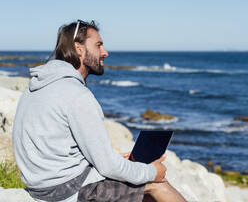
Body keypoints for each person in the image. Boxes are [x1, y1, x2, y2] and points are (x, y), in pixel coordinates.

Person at [12, 20, 187, 202]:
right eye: (98, 45)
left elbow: (57, 147)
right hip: (68, 192)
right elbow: (108, 167)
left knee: (133, 177)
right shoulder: (76, 94)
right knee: (157, 185)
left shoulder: (37, 86)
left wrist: (112, 160)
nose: (105, 52)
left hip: (41, 187)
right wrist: (152, 172)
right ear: (78, 49)